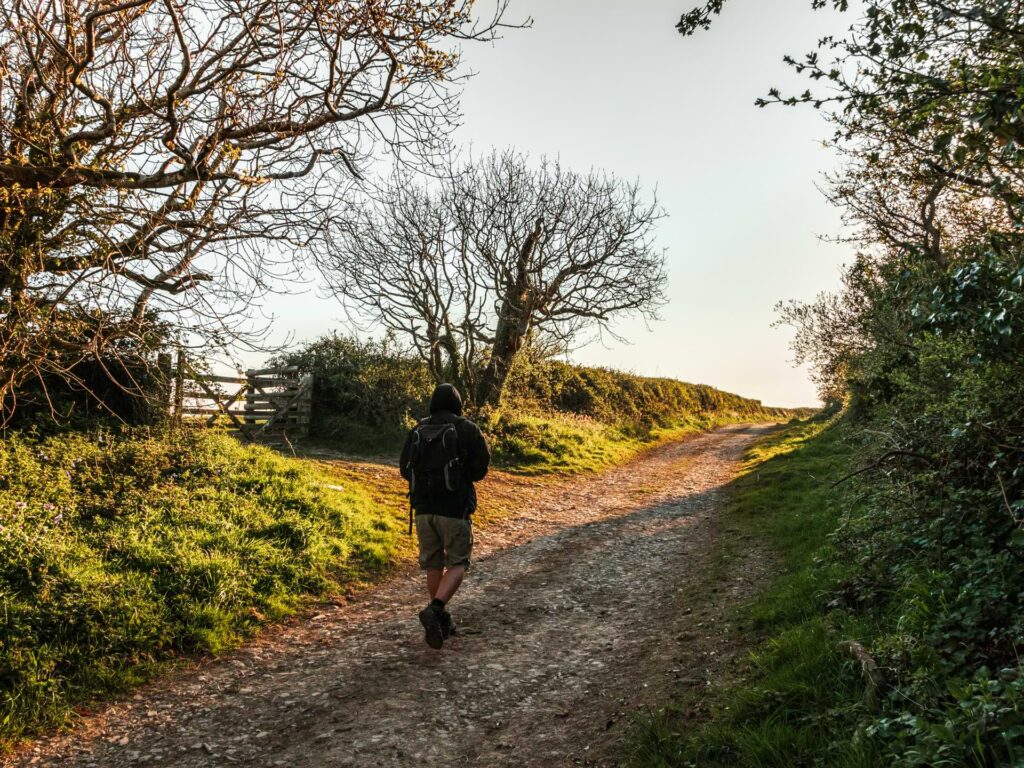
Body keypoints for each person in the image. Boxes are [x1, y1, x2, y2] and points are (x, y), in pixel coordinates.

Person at [399, 383, 490, 649]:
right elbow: (480, 469)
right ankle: (436, 609)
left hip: (423, 510)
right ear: (458, 404)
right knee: (459, 563)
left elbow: (405, 469)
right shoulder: (467, 429)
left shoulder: (417, 429)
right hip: (454, 508)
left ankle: (440, 618)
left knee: (433, 564)